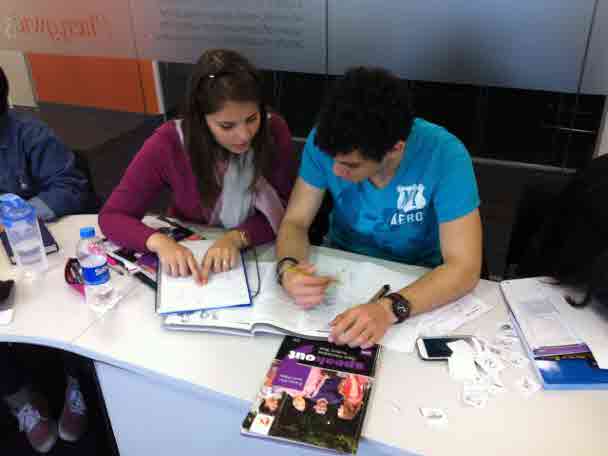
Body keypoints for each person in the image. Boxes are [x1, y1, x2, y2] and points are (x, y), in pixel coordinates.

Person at [276, 67, 482, 349]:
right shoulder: (326, 140)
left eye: (350, 165)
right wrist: (289, 268)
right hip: (343, 266)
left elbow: (464, 267)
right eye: (331, 159)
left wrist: (388, 310)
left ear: (395, 149)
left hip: (419, 277)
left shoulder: (445, 155)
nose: (335, 171)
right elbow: (296, 222)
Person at [99, 49, 297, 284]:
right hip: (192, 253)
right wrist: (160, 243)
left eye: (252, 119)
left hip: (259, 251)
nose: (244, 135)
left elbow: (288, 212)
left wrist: (236, 238)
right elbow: (113, 216)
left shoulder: (273, 131)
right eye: (227, 126)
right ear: (200, 120)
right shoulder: (169, 143)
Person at [1, 66, 91, 453]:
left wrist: (18, 217)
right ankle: (20, 396)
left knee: (73, 301)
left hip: (40, 247)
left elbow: (70, 187)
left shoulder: (30, 135)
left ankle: (77, 382)